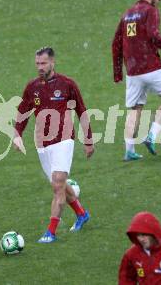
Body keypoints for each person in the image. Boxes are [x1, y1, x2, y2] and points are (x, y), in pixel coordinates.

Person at [13, 47, 95, 243]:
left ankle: (50, 232)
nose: (40, 67)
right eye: (37, 64)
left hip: (64, 140)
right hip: (42, 144)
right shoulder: (32, 87)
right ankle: (82, 214)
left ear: (52, 63)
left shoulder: (67, 84)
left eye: (43, 63)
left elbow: (81, 111)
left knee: (58, 185)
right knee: (59, 185)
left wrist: (89, 139)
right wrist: (17, 134)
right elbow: (23, 111)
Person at [112, 0, 161, 160]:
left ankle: (129, 151)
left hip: (133, 72)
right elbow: (154, 35)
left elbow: (116, 43)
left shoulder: (127, 14)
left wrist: (118, 71)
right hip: (151, 67)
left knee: (135, 110)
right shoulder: (151, 11)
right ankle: (152, 136)